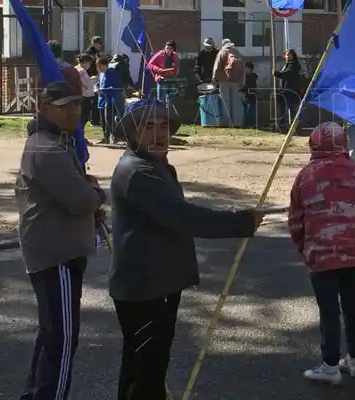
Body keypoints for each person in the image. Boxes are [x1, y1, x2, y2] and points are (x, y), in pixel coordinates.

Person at [109, 99, 264, 400]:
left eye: (164, 126)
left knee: (149, 368)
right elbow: (182, 217)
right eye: (148, 127)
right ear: (129, 134)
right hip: (145, 290)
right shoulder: (139, 171)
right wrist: (240, 222)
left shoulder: (156, 166)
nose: (158, 134)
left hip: (158, 285)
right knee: (145, 374)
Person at [15, 81, 106, 400]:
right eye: (64, 106)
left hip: (55, 249)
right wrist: (97, 194)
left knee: (50, 334)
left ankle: (36, 394)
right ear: (44, 108)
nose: (73, 112)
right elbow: (80, 200)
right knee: (63, 340)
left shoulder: (55, 142)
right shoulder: (46, 148)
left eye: (77, 105)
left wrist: (88, 195)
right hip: (57, 255)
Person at [288, 122, 355, 384]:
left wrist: (301, 246)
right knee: (353, 307)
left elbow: (295, 217)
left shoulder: (306, 175)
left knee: (328, 311)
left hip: (321, 254)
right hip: (352, 250)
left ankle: (330, 365)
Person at [213, 38, 246, 127]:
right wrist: (242, 81)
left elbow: (217, 67)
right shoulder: (237, 53)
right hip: (235, 81)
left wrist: (214, 79)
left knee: (225, 101)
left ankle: (226, 123)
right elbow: (243, 68)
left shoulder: (222, 52)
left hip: (224, 80)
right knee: (235, 101)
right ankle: (237, 123)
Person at [274, 49, 304, 131]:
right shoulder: (287, 65)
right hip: (285, 90)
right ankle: (283, 124)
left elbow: (288, 74)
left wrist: (278, 74)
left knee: (291, 108)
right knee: (283, 109)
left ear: (293, 56)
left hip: (291, 91)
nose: (287, 57)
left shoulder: (294, 65)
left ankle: (296, 125)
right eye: (287, 55)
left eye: (289, 55)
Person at [98, 56, 125, 145]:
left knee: (109, 119)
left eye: (99, 66)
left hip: (112, 99)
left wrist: (105, 89)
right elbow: (100, 83)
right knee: (105, 119)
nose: (98, 69)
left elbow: (116, 86)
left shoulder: (112, 73)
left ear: (104, 65)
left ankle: (116, 136)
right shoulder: (101, 74)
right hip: (104, 99)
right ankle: (107, 137)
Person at [147, 40, 180, 110]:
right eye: (167, 48)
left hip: (171, 80)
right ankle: (161, 115)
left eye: (170, 49)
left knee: (171, 101)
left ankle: (169, 116)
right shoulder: (160, 54)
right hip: (161, 79)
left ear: (173, 49)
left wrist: (176, 71)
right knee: (161, 101)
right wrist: (158, 69)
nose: (168, 50)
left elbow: (177, 67)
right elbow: (150, 65)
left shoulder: (175, 56)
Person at [84, 36, 103, 125]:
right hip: (90, 78)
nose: (100, 46)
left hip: (95, 77)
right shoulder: (89, 53)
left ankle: (95, 118)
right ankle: (94, 119)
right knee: (93, 98)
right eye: (99, 44)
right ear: (94, 44)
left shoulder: (96, 53)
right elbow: (89, 67)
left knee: (95, 98)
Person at [74, 54, 95, 129]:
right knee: (83, 117)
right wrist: (94, 79)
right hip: (84, 96)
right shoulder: (82, 71)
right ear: (85, 62)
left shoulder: (75, 69)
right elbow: (86, 85)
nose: (89, 65)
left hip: (78, 96)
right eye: (89, 63)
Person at [241, 61, 258, 128]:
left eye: (245, 68)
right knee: (247, 111)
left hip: (250, 97)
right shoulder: (250, 76)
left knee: (249, 112)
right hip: (248, 96)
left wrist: (240, 89)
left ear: (249, 68)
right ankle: (248, 124)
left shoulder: (250, 76)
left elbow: (247, 86)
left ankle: (250, 124)